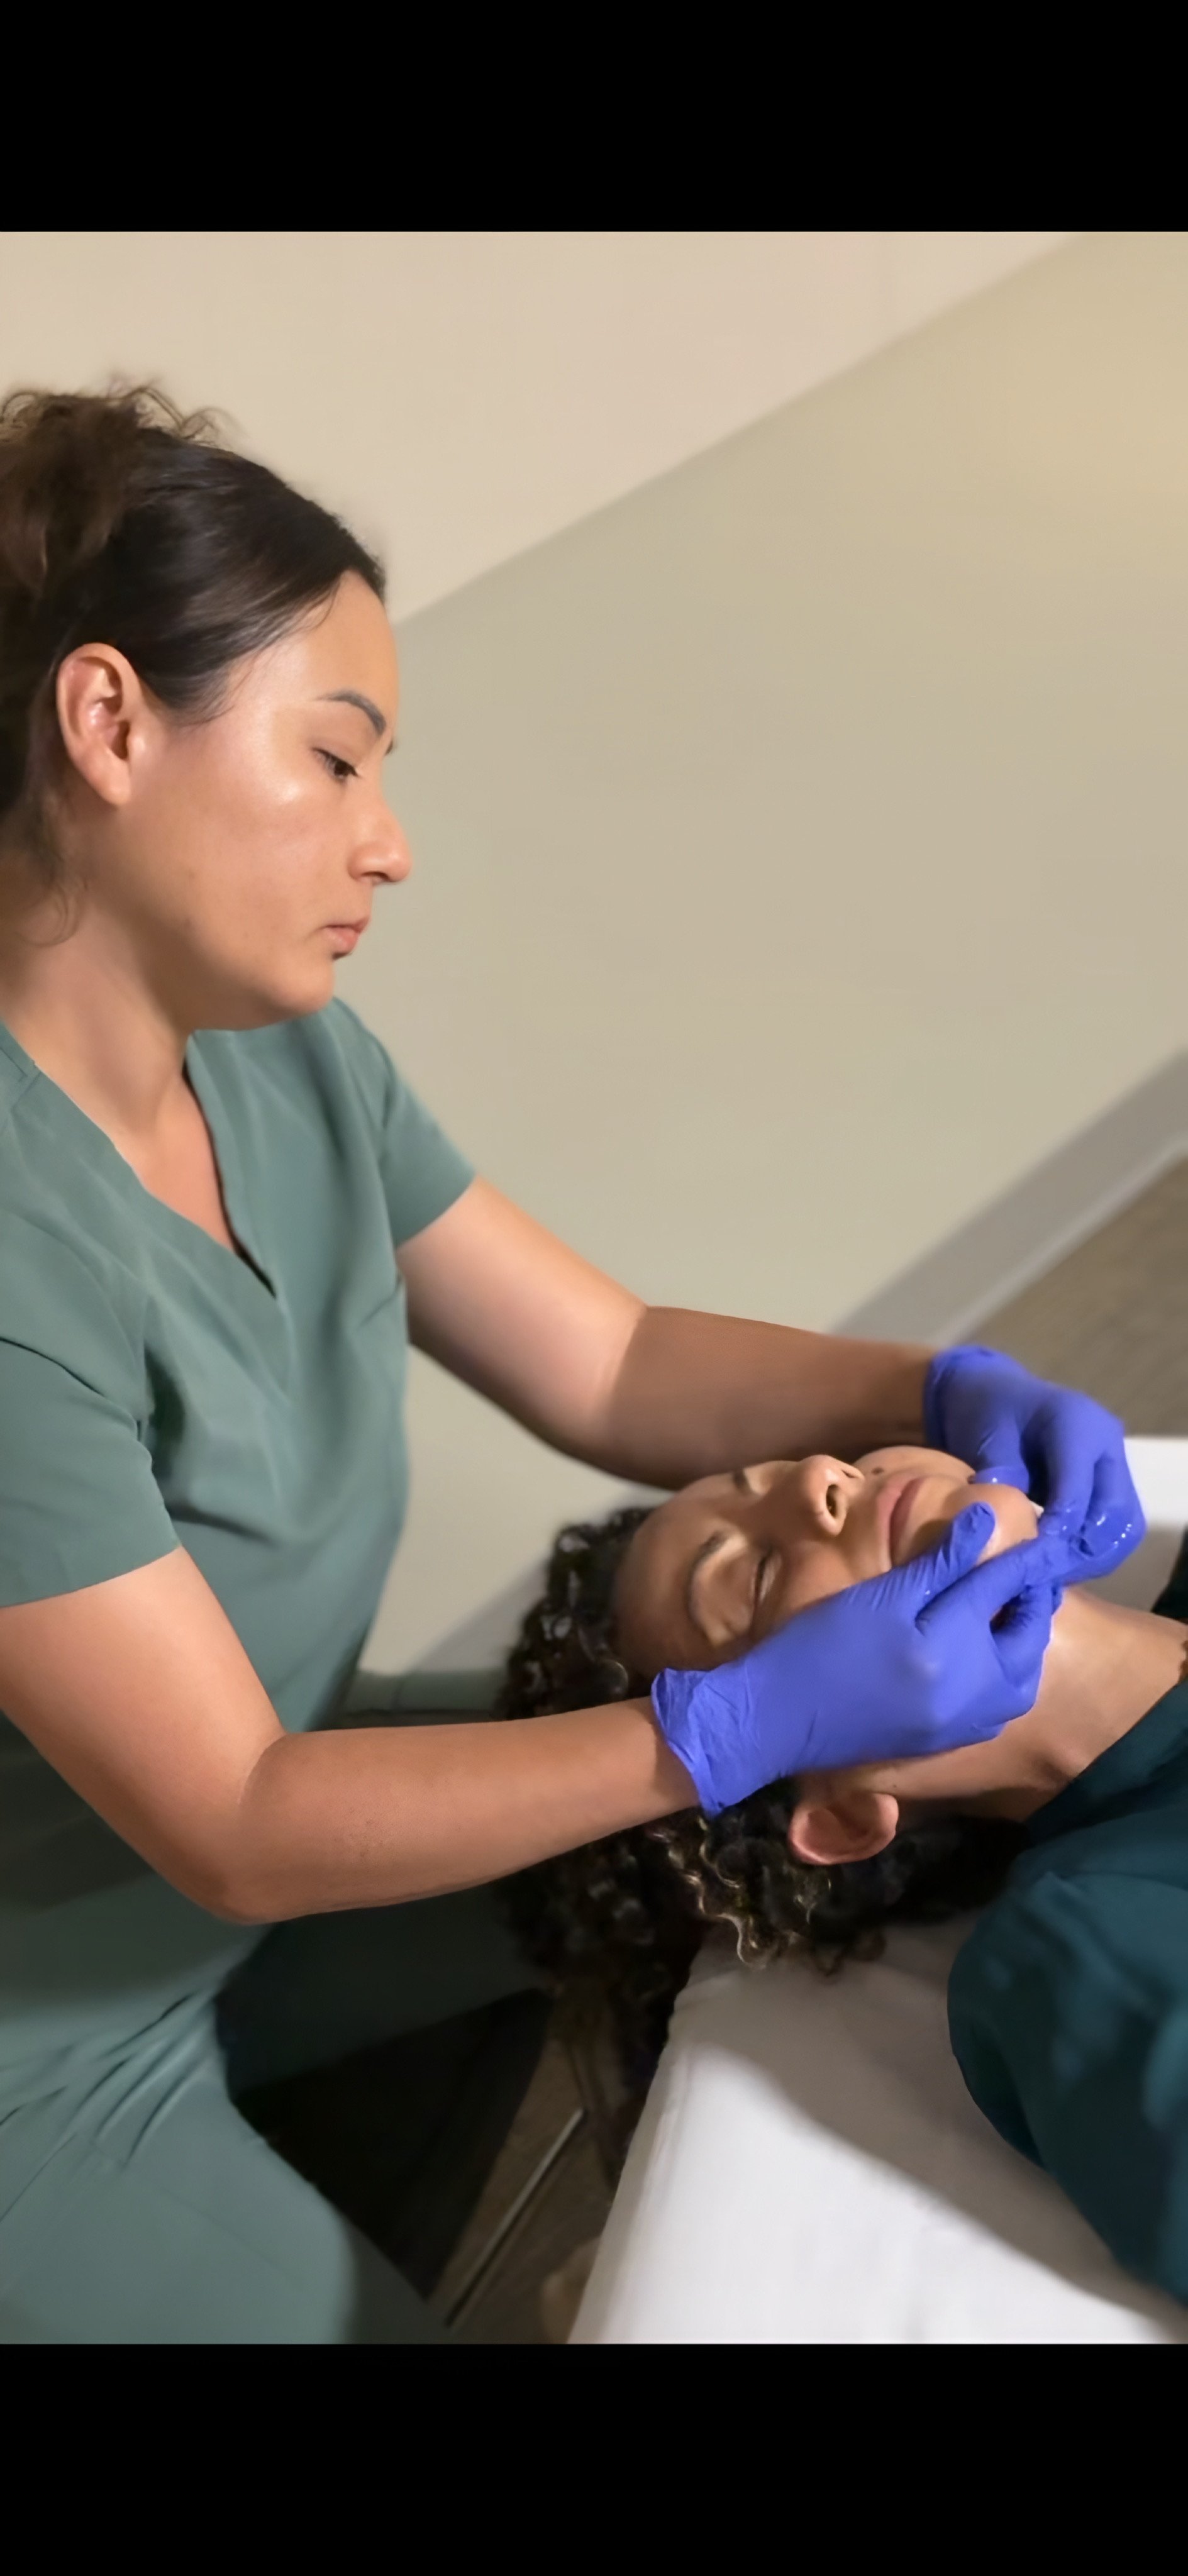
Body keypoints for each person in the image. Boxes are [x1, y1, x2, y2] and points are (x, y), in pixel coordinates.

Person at [0, 382, 1141, 2343]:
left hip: (260, 1857)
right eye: (334, 759)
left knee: (650, 1886)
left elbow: (607, 1360)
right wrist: (718, 1731)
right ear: (108, 724)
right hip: (47, 2016)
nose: (388, 846)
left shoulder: (278, 1057)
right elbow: (240, 1817)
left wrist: (927, 1389)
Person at [499, 1449, 1188, 2302]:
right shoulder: (1083, 1939)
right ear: (845, 1813)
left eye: (784, 1467)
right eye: (755, 1576)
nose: (818, 1478)